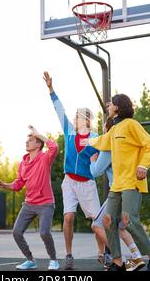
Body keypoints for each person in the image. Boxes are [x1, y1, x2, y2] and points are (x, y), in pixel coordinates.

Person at [84, 94, 150, 271]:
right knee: (107, 221)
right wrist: (86, 139)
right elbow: (102, 141)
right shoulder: (114, 130)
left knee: (128, 221)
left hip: (132, 182)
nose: (108, 106)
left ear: (118, 107)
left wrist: (144, 166)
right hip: (117, 185)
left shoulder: (131, 125)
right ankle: (118, 262)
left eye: (111, 104)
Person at [43, 71, 104, 270]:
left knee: (96, 221)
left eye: (79, 117)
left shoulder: (95, 137)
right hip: (69, 181)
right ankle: (68, 255)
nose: (75, 119)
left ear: (86, 120)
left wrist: (94, 156)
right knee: (68, 216)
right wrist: (51, 89)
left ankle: (103, 254)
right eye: (75, 116)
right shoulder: (69, 131)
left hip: (86, 183)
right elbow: (59, 110)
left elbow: (99, 162)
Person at [0, 126, 59, 271]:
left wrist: (39, 134)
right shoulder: (23, 163)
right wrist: (4, 185)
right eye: (27, 140)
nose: (27, 142)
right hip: (29, 204)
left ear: (38, 144)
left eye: (31, 140)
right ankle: (30, 260)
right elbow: (18, 184)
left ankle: (54, 260)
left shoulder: (45, 158)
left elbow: (54, 146)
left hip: (46, 204)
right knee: (16, 232)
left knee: (44, 232)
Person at [90, 113, 146, 271]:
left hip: (118, 191)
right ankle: (136, 257)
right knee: (120, 228)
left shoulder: (109, 147)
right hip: (130, 189)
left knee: (97, 225)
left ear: (108, 129)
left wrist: (92, 161)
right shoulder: (124, 144)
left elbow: (96, 171)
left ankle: (119, 260)